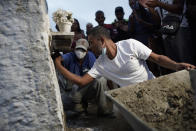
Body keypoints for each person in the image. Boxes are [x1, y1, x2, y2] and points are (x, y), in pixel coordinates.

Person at [55, 26, 195, 95]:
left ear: (102, 40)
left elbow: (157, 58)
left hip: (155, 88)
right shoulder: (100, 64)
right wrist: (58, 65)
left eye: (91, 43)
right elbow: (81, 81)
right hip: (133, 98)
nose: (90, 48)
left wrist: (176, 65)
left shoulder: (130, 45)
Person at [56, 38, 111, 116]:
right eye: (78, 49)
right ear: (74, 49)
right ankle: (80, 108)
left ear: (87, 51)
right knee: (64, 103)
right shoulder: (70, 56)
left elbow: (96, 75)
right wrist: (58, 61)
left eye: (83, 50)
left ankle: (103, 110)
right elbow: (59, 59)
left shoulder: (90, 57)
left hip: (86, 87)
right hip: (73, 90)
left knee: (101, 80)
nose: (80, 52)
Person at [146, 0, 194, 65]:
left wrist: (158, 3)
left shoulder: (158, 2)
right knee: (174, 63)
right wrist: (150, 7)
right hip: (166, 31)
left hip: (180, 29)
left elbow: (178, 9)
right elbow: (157, 20)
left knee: (185, 60)